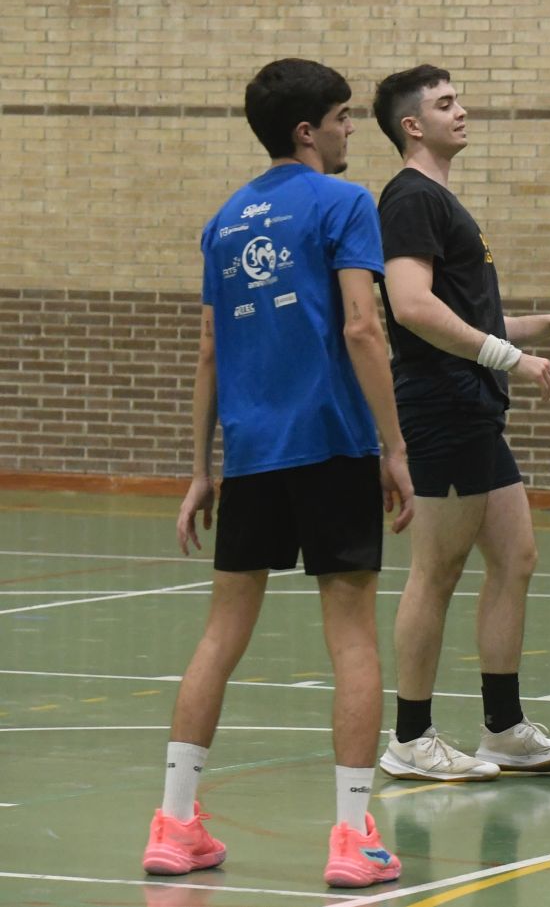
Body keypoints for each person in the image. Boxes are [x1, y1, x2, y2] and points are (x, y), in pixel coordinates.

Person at [144, 58, 413, 889]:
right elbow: (365, 327)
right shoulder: (344, 202)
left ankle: (174, 823)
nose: (348, 129)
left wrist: (200, 471)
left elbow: (208, 349)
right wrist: (395, 446)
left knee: (221, 633)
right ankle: (350, 837)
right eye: (340, 116)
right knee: (354, 636)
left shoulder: (225, 220)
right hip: (331, 444)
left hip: (251, 456)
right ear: (307, 129)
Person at [371, 65, 550, 782]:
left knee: (516, 557)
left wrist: (545, 324)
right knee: (435, 571)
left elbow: (464, 314)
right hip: (440, 408)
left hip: (473, 409)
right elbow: (411, 307)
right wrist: (513, 355)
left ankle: (503, 727)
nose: (461, 110)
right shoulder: (408, 198)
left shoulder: (442, 199)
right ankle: (410, 737)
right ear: (413, 125)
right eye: (445, 103)